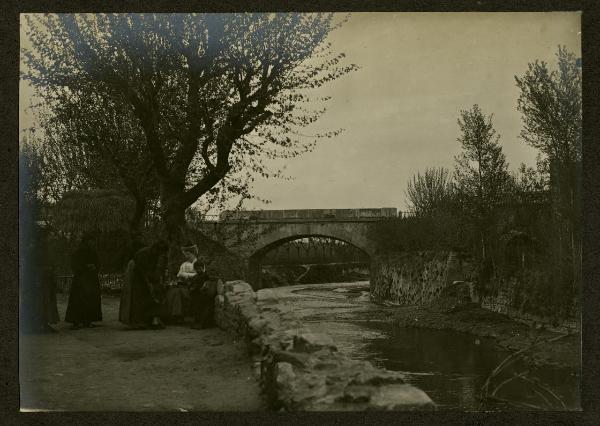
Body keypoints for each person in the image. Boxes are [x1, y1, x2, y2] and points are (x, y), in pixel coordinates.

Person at [119, 240, 169, 329]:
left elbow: (154, 269)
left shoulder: (156, 254)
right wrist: (149, 283)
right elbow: (143, 271)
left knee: (149, 295)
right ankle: (136, 322)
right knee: (136, 296)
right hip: (135, 273)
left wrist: (155, 280)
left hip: (145, 272)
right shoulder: (143, 254)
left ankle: (149, 320)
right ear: (157, 249)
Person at [20, 224, 60, 333]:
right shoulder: (36, 248)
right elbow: (32, 265)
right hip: (38, 280)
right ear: (45, 236)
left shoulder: (46, 248)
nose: (52, 237)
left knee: (47, 301)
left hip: (46, 279)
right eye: (50, 235)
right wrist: (44, 269)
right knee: (38, 302)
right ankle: (36, 325)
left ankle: (45, 323)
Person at [65, 233, 102, 329]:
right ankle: (76, 321)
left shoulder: (93, 252)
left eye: (93, 241)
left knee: (90, 299)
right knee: (78, 300)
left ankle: (88, 321)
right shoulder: (78, 252)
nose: (92, 242)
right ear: (86, 241)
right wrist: (86, 267)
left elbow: (98, 264)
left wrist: (95, 267)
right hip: (81, 279)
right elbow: (74, 265)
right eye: (90, 240)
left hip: (91, 279)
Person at [162, 245, 198, 324]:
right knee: (172, 292)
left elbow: (198, 275)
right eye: (186, 254)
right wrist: (185, 275)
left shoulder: (198, 263)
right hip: (183, 284)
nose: (187, 256)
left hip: (194, 286)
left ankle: (178, 315)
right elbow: (179, 275)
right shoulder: (184, 264)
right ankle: (173, 315)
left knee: (179, 293)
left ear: (193, 254)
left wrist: (185, 275)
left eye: (188, 254)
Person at [189, 261, 219, 329]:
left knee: (204, 304)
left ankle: (202, 323)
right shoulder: (195, 277)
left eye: (200, 268)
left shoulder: (206, 276)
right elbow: (191, 286)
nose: (198, 270)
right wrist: (192, 288)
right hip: (197, 294)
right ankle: (198, 321)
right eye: (197, 269)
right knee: (196, 302)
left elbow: (212, 281)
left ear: (203, 268)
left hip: (205, 295)